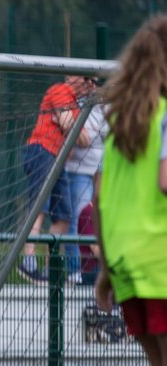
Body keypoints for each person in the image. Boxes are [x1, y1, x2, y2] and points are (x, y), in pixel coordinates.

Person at [47, 15, 167, 366]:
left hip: (129, 261)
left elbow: (101, 195)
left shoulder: (125, 123)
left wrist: (106, 267)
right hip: (160, 261)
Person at [18, 75, 97, 282]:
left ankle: (49, 268)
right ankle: (28, 260)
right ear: (71, 76)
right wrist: (69, 125)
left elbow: (84, 139)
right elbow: (69, 125)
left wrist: (69, 124)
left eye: (94, 81)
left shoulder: (77, 107)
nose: (90, 85)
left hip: (58, 159)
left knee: (64, 216)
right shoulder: (61, 90)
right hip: (41, 151)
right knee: (39, 207)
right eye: (87, 78)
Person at [60, 98, 108, 280]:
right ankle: (74, 271)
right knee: (78, 218)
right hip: (97, 272)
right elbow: (94, 247)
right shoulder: (89, 210)